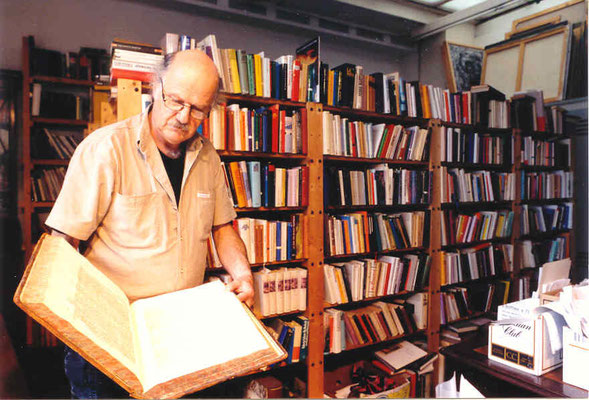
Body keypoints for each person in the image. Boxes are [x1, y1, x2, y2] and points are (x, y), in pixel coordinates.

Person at [45, 49, 254, 398]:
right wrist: (77, 323)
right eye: (175, 100)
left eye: (198, 108)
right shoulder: (105, 149)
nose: (183, 116)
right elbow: (62, 243)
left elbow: (223, 228)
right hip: (114, 336)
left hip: (180, 333)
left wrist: (243, 275)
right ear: (155, 86)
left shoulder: (208, 157)